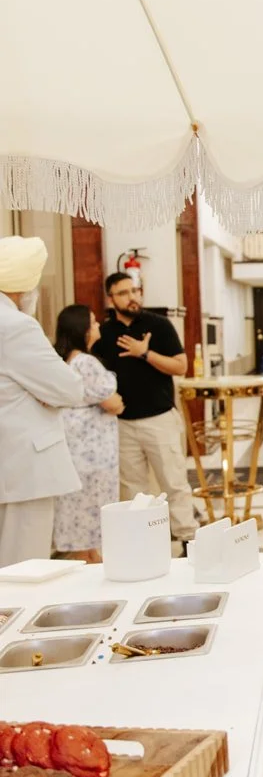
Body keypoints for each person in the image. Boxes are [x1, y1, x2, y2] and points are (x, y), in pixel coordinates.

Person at [92, 272, 197, 551]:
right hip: (123, 423)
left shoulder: (158, 325)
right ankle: (143, 546)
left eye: (135, 290)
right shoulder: (104, 333)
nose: (132, 297)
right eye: (123, 293)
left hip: (159, 418)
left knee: (174, 483)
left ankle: (188, 542)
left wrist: (145, 353)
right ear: (111, 299)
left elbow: (180, 366)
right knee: (133, 491)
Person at [0, 237, 84, 566]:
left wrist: (38, 390)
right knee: (23, 568)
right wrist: (43, 393)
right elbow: (69, 389)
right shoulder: (15, 326)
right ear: (22, 287)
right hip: (23, 470)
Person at [52, 306, 124, 563]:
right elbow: (113, 403)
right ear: (81, 329)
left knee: (83, 516)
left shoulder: (66, 362)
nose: (98, 326)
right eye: (93, 322)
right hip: (92, 454)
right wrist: (117, 402)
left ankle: (91, 557)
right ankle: (87, 563)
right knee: (91, 513)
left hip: (77, 449)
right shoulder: (85, 362)